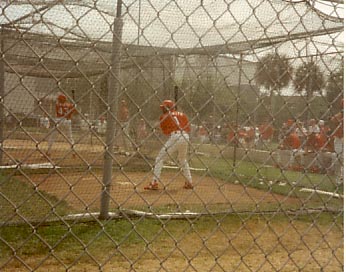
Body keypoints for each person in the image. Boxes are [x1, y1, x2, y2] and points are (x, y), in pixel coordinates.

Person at [144, 99, 193, 190]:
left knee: (159, 158)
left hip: (175, 136)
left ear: (168, 108)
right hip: (186, 136)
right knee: (182, 159)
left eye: (164, 107)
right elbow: (188, 128)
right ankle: (189, 182)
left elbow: (166, 132)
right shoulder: (182, 114)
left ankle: (154, 182)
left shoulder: (164, 116)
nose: (162, 109)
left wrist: (159, 129)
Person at [330, 99, 343, 184]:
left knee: (342, 158)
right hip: (339, 138)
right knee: (339, 158)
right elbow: (333, 119)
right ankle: (339, 179)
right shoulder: (341, 114)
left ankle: (342, 178)